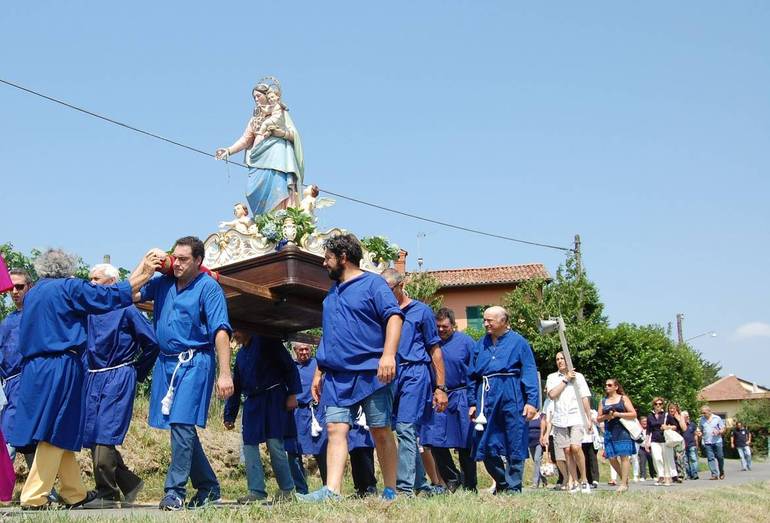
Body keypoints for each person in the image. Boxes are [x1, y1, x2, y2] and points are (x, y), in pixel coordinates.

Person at [7, 248, 161, 510]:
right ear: (68, 269)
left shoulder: (34, 294)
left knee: (63, 427)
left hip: (34, 367)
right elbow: (110, 295)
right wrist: (145, 271)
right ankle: (33, 496)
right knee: (54, 430)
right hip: (60, 365)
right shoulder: (68, 288)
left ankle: (74, 493)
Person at [299, 234, 403, 502]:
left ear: (343, 257)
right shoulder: (331, 293)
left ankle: (390, 490)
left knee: (380, 430)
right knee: (335, 428)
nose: (324, 264)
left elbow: (393, 317)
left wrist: (388, 355)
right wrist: (320, 371)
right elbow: (331, 333)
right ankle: (332, 491)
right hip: (336, 375)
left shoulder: (373, 285)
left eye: (328, 258)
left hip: (373, 372)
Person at [138, 237, 234, 511]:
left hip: (195, 362)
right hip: (166, 364)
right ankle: (208, 487)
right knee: (180, 427)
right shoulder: (163, 284)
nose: (176, 263)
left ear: (198, 261)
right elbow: (130, 293)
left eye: (183, 259)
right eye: (175, 257)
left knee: (181, 424)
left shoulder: (208, 288)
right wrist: (145, 265)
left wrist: (225, 373)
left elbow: (221, 331)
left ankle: (174, 491)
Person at [82, 263, 160, 508]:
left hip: (118, 376)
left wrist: (136, 372)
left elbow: (152, 343)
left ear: (112, 282)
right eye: (90, 279)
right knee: (91, 434)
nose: (91, 283)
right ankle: (129, 483)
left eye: (96, 278)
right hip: (93, 377)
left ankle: (107, 492)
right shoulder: (89, 311)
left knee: (105, 433)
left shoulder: (127, 309)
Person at [381, 269, 448, 496]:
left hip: (416, 373)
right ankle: (421, 484)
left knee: (406, 427)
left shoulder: (422, 311)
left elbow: (435, 350)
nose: (386, 295)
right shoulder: (383, 313)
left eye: (388, 289)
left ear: (400, 285)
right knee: (396, 429)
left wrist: (440, 387)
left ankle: (404, 488)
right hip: (391, 375)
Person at [467, 306, 539, 494]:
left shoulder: (519, 342)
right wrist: (472, 403)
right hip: (486, 393)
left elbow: (529, 371)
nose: (485, 323)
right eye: (484, 320)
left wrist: (532, 401)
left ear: (504, 321)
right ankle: (502, 482)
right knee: (483, 440)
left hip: (511, 391)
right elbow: (471, 376)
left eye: (490, 320)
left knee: (515, 439)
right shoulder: (479, 344)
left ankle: (513, 487)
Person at [224, 332, 300, 503]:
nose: (235, 335)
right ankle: (256, 491)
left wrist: (293, 394)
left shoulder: (267, 340)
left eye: (237, 330)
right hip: (252, 403)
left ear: (247, 327)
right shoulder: (242, 355)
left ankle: (287, 490)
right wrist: (230, 414)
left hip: (274, 399)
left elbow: (289, 366)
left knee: (275, 445)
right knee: (249, 445)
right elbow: (236, 385)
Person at [215, 77, 304, 215]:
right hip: (257, 159)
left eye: (258, 95)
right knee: (252, 190)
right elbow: (245, 140)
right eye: (254, 97)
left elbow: (294, 135)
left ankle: (282, 216)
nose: (256, 99)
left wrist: (279, 133)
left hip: (277, 156)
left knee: (279, 186)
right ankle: (265, 220)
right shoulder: (254, 120)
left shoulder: (280, 112)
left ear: (267, 96)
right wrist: (229, 150)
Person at [420, 308, 477, 492]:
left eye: (445, 326)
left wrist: (473, 400)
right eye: (438, 326)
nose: (441, 330)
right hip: (437, 396)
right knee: (433, 440)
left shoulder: (466, 342)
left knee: (465, 444)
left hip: (461, 395)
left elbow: (475, 372)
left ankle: (470, 485)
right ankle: (452, 478)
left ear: (453, 325)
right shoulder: (430, 343)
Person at [545, 352, 593, 494]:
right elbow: (552, 394)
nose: (559, 361)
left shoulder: (579, 377)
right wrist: (565, 379)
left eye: (562, 358)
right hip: (560, 418)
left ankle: (584, 479)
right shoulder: (552, 378)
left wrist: (588, 418)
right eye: (557, 359)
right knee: (566, 450)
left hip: (576, 417)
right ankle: (575, 480)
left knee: (575, 447)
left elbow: (585, 397)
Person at [0, 269, 33, 463]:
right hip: (9, 385)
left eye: (19, 286)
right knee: (24, 439)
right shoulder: (7, 321)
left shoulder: (37, 315)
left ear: (29, 287)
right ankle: (46, 491)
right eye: (10, 287)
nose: (14, 291)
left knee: (11, 435)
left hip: (27, 381)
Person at [596, 378, 637, 493]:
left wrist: (618, 414)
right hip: (609, 430)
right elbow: (598, 418)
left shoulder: (623, 398)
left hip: (623, 429)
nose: (607, 387)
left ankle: (623, 484)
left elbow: (633, 413)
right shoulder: (603, 401)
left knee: (624, 456)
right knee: (611, 457)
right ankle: (624, 478)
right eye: (606, 385)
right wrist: (606, 417)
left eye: (609, 385)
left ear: (616, 387)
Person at [646, 397, 677, 486]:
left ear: (662, 405)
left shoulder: (666, 415)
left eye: (660, 404)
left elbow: (675, 426)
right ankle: (661, 475)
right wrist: (647, 442)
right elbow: (648, 430)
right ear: (653, 405)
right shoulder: (650, 416)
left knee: (667, 459)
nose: (658, 406)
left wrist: (667, 427)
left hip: (665, 440)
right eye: (656, 404)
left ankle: (667, 477)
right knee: (657, 458)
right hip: (654, 440)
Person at [698, 405, 725, 480]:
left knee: (720, 457)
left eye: (704, 413)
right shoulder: (702, 420)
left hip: (717, 441)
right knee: (710, 458)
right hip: (707, 442)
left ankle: (721, 471)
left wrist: (719, 431)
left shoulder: (717, 418)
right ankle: (714, 474)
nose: (703, 414)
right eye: (702, 413)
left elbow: (723, 428)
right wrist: (699, 433)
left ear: (709, 411)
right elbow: (700, 429)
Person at [681, 411, 699, 479]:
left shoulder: (692, 424)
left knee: (693, 459)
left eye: (688, 416)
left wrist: (696, 443)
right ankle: (688, 474)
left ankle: (694, 474)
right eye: (686, 416)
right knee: (685, 461)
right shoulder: (681, 425)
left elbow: (695, 434)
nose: (688, 417)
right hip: (683, 445)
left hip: (692, 444)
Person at [637, 416, 656, 481]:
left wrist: (649, 444)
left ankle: (653, 475)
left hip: (650, 447)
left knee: (652, 461)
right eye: (643, 421)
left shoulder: (651, 429)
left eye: (646, 421)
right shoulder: (638, 430)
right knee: (642, 462)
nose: (645, 423)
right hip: (641, 447)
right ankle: (643, 476)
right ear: (640, 422)